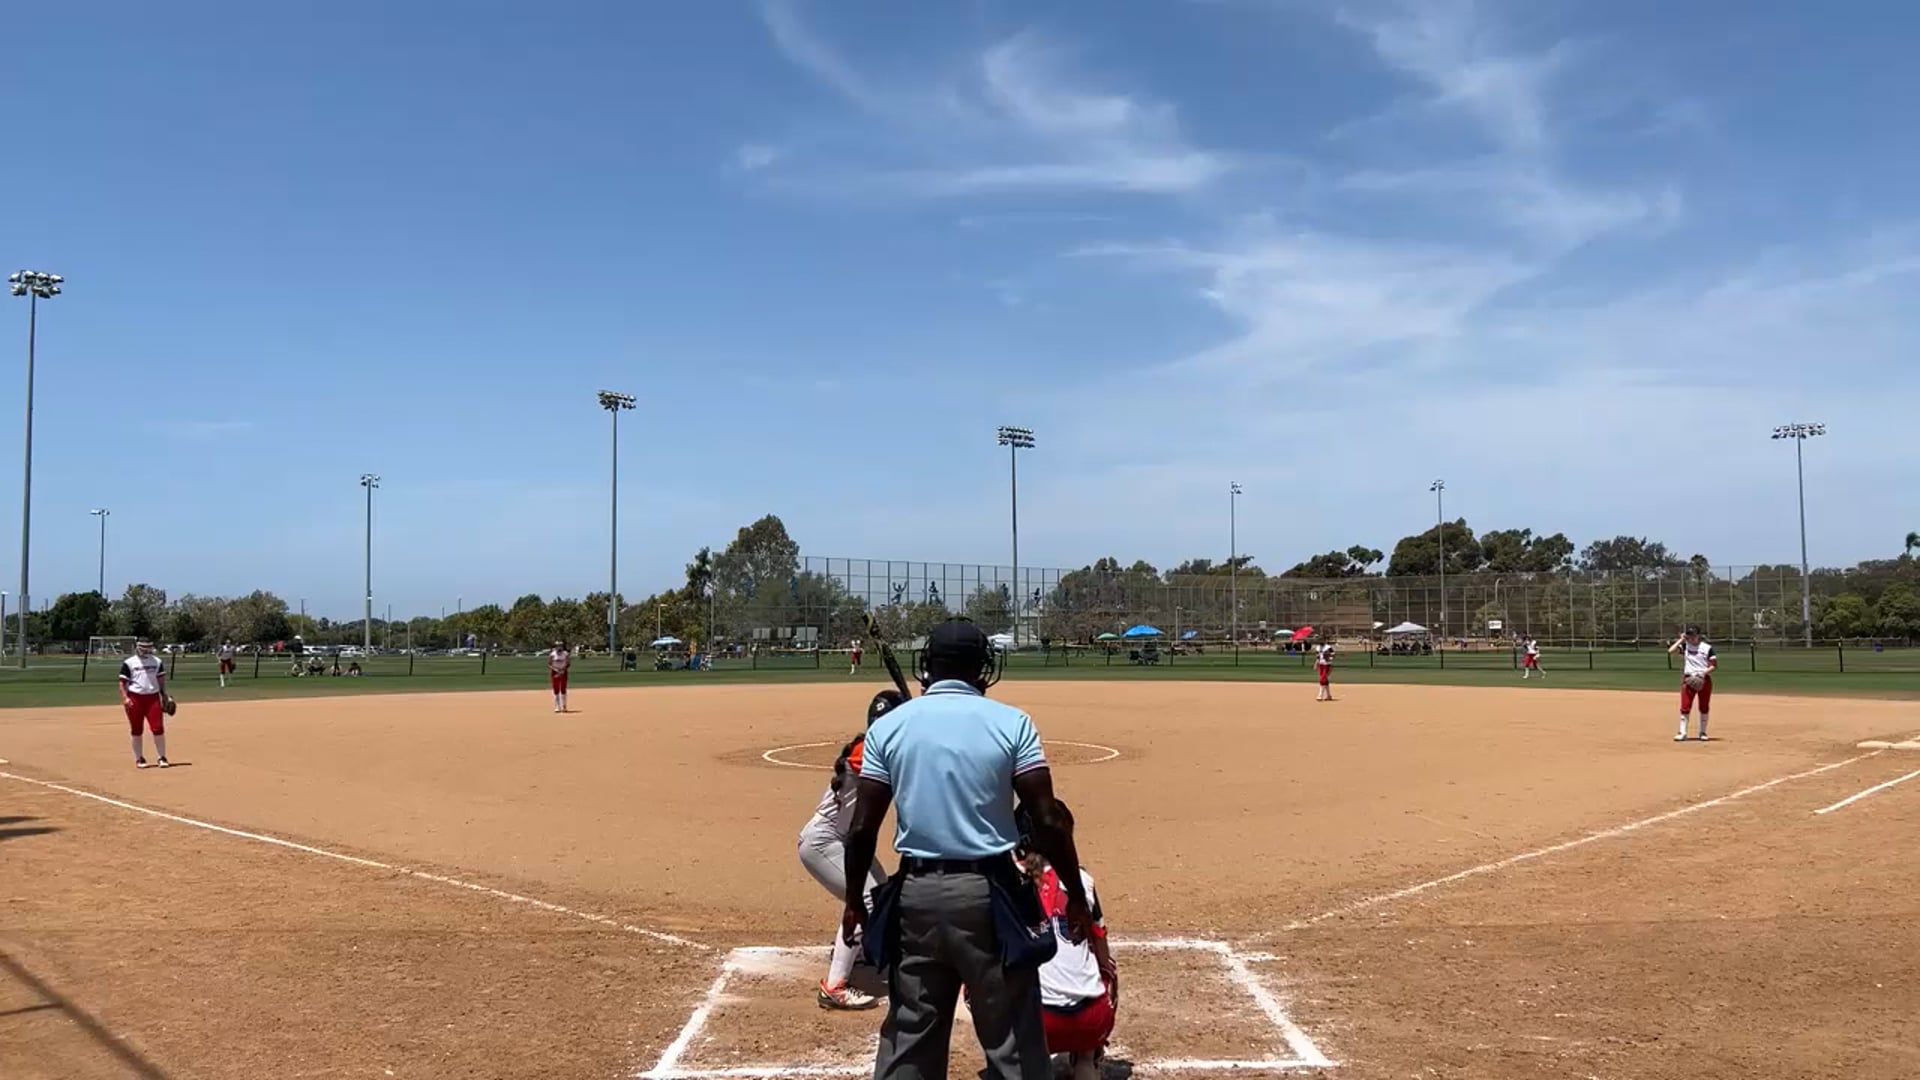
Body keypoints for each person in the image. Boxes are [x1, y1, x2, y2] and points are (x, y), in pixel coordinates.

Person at [840, 617, 1091, 1080]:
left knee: (909, 1042)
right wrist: (1074, 892)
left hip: (915, 895)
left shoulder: (889, 728)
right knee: (1014, 1045)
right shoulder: (1012, 723)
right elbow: (1048, 819)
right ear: (983, 668)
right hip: (989, 896)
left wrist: (854, 899)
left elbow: (860, 830)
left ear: (928, 666)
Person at [798, 688, 907, 1011]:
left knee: (881, 895)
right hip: (825, 842)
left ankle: (855, 953)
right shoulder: (869, 751)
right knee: (866, 900)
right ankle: (835, 987)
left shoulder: (878, 746)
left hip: (845, 841)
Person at [1018, 801, 1116, 1080]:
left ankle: (1022, 1062)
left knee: (982, 977)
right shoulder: (1082, 880)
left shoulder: (1008, 879)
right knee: (1107, 968)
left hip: (1037, 1021)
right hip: (1090, 1018)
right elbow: (1101, 944)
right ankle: (1086, 1060)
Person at [119, 639, 171, 769]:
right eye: (142, 647)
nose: (145, 650)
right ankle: (139, 758)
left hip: (153, 698)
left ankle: (162, 757)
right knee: (136, 729)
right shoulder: (129, 662)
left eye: (147, 647)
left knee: (158, 728)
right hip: (135, 698)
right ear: (137, 647)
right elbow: (122, 682)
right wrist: (125, 698)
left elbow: (161, 680)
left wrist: (164, 695)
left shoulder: (157, 661)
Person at [1668, 624, 1716, 741]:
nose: (1692, 638)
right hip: (1688, 679)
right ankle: (1682, 732)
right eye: (1689, 635)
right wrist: (1681, 640)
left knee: (1704, 706)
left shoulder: (1707, 648)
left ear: (1698, 635)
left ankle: (1703, 732)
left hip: (1703, 679)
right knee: (1685, 706)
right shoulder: (1685, 646)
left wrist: (1703, 673)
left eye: (1694, 635)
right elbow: (1671, 651)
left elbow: (1713, 666)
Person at [548, 640, 571, 713]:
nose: (559, 647)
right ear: (555, 647)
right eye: (558, 646)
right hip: (555, 672)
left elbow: (568, 663)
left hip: (563, 672)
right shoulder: (552, 654)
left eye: (560, 646)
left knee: (563, 689)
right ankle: (557, 706)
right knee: (556, 689)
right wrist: (556, 670)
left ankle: (564, 706)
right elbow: (549, 664)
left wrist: (563, 669)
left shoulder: (565, 654)